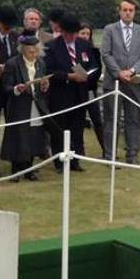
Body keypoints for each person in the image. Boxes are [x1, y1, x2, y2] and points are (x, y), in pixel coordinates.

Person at [99, 0, 140, 164]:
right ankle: (110, 156)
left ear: (135, 12)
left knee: (134, 119)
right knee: (111, 120)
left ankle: (132, 155)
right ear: (119, 11)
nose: (128, 13)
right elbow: (105, 53)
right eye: (125, 10)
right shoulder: (109, 29)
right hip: (113, 82)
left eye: (131, 10)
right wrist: (118, 72)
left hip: (134, 82)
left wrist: (132, 71)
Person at [45, 13, 100, 170]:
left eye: (75, 33)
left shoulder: (84, 45)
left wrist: (88, 76)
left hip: (80, 94)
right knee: (60, 129)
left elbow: (94, 65)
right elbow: (48, 71)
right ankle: (60, 162)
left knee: (77, 129)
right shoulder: (51, 47)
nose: (73, 37)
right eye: (69, 33)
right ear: (62, 31)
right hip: (60, 95)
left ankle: (75, 160)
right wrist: (69, 76)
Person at [0, 29, 50, 181]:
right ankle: (15, 170)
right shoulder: (12, 64)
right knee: (18, 135)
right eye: (30, 52)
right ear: (23, 50)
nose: (33, 54)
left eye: (35, 52)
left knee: (34, 135)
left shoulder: (41, 63)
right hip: (19, 105)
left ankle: (29, 169)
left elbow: (42, 86)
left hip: (36, 105)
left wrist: (44, 86)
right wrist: (17, 88)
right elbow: (5, 86)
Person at [0, 6, 20, 176]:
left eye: (10, 26)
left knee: (14, 126)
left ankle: (16, 162)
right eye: (5, 26)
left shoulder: (15, 37)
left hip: (11, 88)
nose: (8, 29)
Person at [77, 23, 105, 155]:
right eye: (82, 33)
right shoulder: (73, 50)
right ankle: (79, 150)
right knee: (79, 121)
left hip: (89, 90)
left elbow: (98, 69)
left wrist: (88, 78)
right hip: (76, 90)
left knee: (97, 120)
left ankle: (106, 150)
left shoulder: (94, 51)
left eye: (87, 34)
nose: (85, 36)